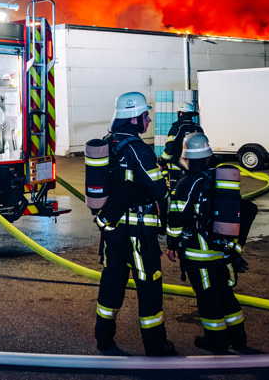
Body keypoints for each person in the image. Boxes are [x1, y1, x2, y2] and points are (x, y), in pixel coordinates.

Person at [93, 91, 177, 357]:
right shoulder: (138, 148)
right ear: (133, 119)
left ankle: (103, 337)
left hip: (111, 229)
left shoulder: (109, 143)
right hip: (137, 233)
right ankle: (155, 345)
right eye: (145, 115)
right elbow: (158, 189)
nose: (149, 120)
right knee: (149, 284)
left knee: (112, 281)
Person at [165, 132, 248, 353]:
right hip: (223, 250)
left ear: (188, 157)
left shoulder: (188, 182)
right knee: (226, 295)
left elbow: (176, 216)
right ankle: (239, 339)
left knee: (208, 298)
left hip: (198, 253)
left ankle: (217, 342)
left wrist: (172, 244)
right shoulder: (221, 176)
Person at [159, 102, 203, 186]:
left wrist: (162, 161)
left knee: (177, 191)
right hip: (196, 168)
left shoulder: (177, 127)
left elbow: (170, 148)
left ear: (181, 113)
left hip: (178, 169)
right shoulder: (198, 128)